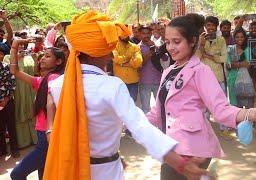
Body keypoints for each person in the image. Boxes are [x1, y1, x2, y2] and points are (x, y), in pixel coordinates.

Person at [43, 11, 211, 180]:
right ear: (98, 52)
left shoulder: (57, 85)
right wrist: (180, 163)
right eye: (109, 47)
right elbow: (139, 127)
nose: (112, 54)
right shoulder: (112, 86)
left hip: (69, 169)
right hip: (106, 171)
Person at [147, 14, 256, 180]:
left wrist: (250, 114)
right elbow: (157, 111)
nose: (171, 47)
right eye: (168, 41)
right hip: (170, 147)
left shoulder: (200, 71)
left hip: (193, 149)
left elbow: (221, 109)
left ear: (193, 41)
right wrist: (129, 122)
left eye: (177, 41)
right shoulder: (168, 71)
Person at [9, 40, 66, 180]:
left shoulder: (54, 79)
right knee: (44, 175)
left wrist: (15, 45)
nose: (42, 59)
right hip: (44, 133)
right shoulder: (42, 80)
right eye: (43, 56)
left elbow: (52, 106)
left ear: (58, 62)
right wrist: (15, 46)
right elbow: (14, 71)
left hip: (47, 135)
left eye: (47, 56)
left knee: (16, 174)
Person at [0, 43, 19, 158]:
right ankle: (2, 150)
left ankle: (14, 149)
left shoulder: (7, 67)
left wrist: (5, 100)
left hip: (8, 102)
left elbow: (12, 85)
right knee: (0, 128)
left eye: (1, 54)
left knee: (11, 126)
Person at [227, 28, 254, 108]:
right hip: (233, 79)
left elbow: (248, 64)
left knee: (248, 105)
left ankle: (248, 120)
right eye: (237, 37)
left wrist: (235, 64)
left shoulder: (247, 49)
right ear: (234, 38)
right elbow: (228, 64)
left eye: (242, 37)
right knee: (235, 106)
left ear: (245, 38)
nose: (240, 39)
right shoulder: (230, 48)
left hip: (246, 80)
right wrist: (241, 64)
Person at [139, 25, 162, 113]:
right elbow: (141, 63)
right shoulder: (137, 48)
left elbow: (164, 59)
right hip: (144, 82)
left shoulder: (157, 45)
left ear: (151, 33)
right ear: (140, 35)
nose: (146, 35)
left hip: (158, 80)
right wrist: (151, 50)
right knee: (146, 109)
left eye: (148, 33)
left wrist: (155, 47)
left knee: (160, 108)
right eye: (143, 33)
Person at [112, 35, 143, 102]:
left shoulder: (134, 46)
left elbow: (139, 61)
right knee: (121, 103)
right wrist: (128, 57)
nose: (125, 35)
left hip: (133, 81)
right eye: (123, 34)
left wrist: (123, 64)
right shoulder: (114, 46)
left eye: (126, 34)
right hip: (120, 81)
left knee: (132, 102)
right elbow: (116, 59)